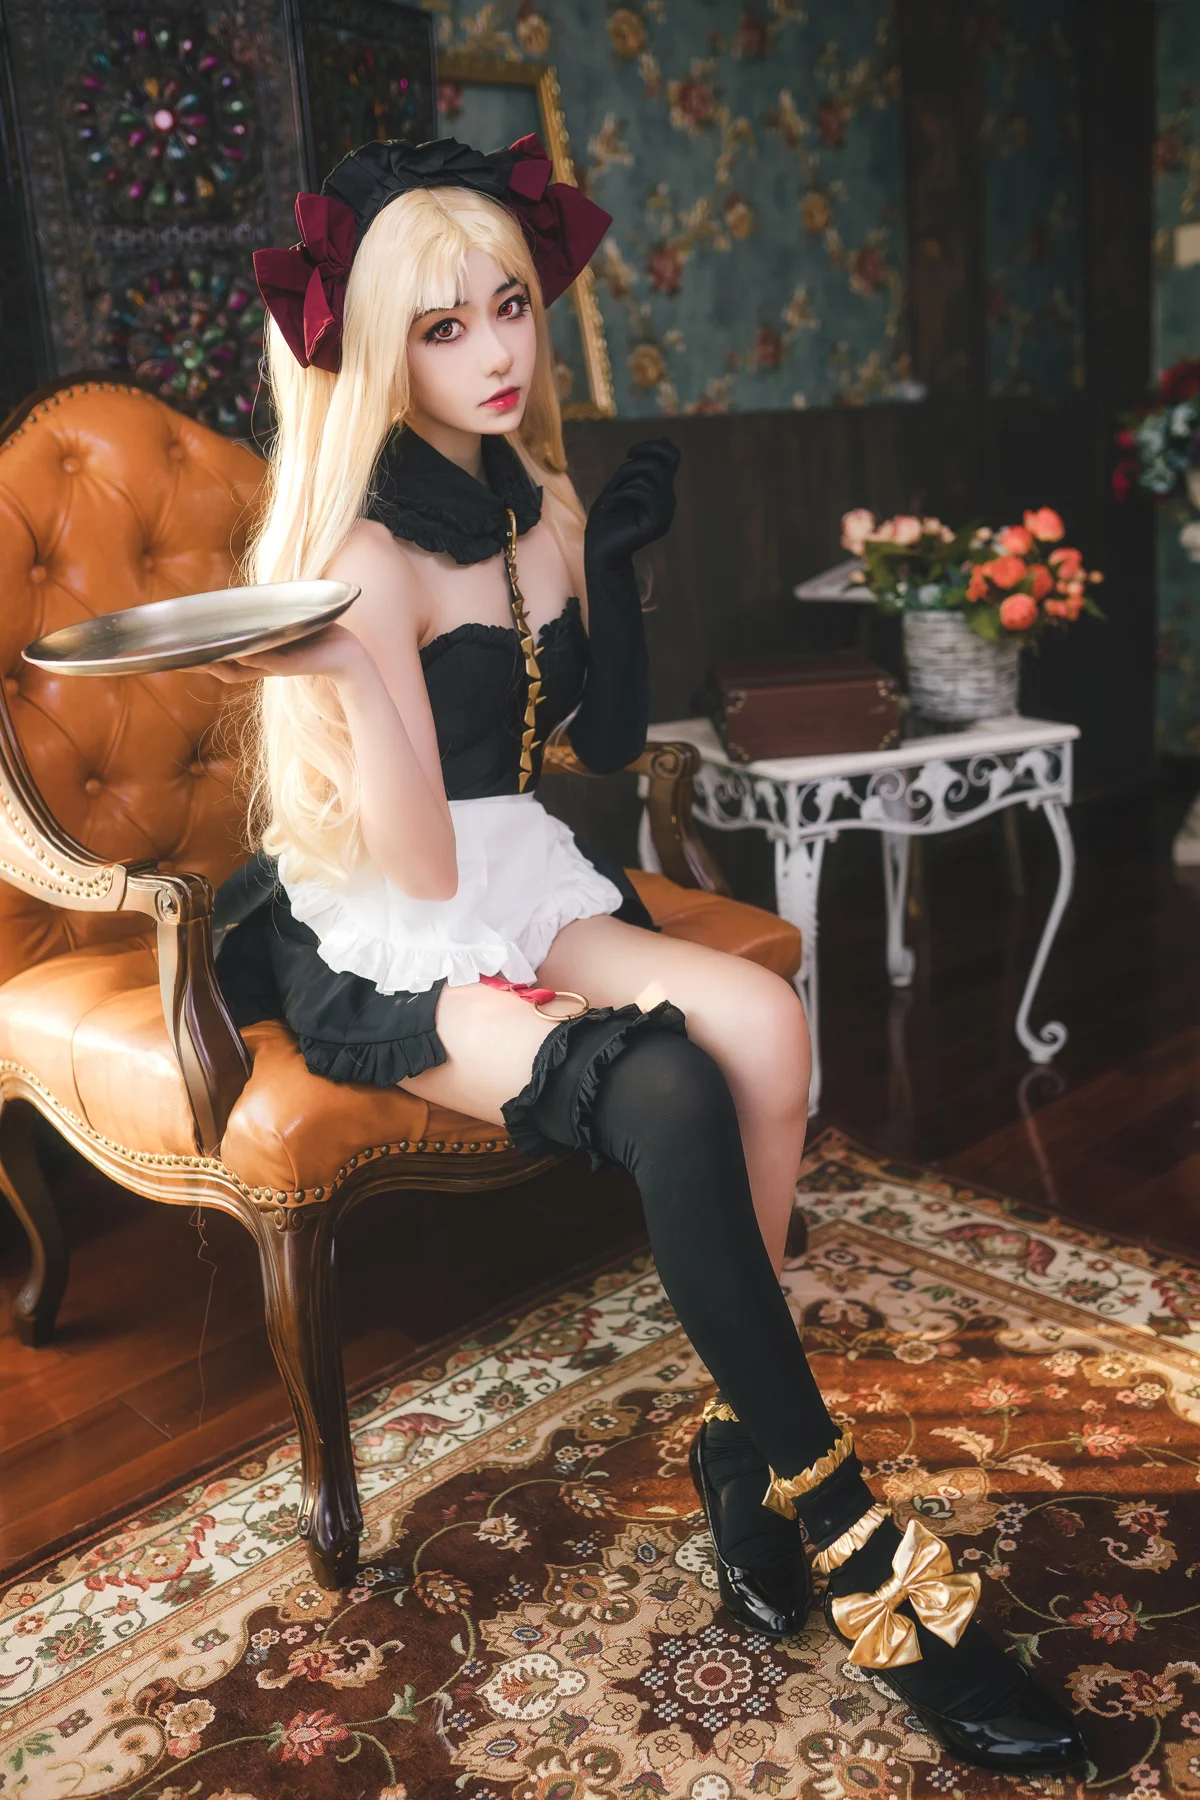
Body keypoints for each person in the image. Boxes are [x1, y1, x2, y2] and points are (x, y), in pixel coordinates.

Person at [207, 135, 1086, 1778]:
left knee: (761, 1017)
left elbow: (601, 745)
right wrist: (358, 665)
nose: (495, 351)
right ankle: (846, 1529)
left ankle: (738, 1449)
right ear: (382, 350)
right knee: (672, 1088)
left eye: (511, 307)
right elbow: (415, 860)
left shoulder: (530, 500)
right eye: (443, 328)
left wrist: (611, 571)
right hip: (387, 923)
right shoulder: (366, 555)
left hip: (515, 867)